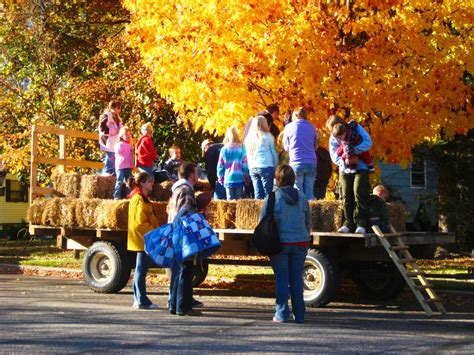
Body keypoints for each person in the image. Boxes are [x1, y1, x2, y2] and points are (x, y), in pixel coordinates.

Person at [259, 165, 311, 323]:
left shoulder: (273, 197)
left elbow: (263, 222)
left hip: (280, 243)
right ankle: (299, 314)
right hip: (300, 241)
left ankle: (281, 313)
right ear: (293, 179)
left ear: (277, 179)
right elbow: (308, 221)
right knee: (296, 278)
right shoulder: (302, 197)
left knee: (282, 278)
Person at [327, 115, 372, 234]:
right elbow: (333, 154)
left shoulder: (355, 128)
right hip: (345, 167)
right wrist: (346, 160)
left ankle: (361, 222)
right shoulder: (333, 136)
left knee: (359, 191)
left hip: (360, 165)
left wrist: (352, 151)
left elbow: (368, 142)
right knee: (346, 193)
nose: (334, 135)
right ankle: (348, 222)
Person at [168, 163, 201, 316]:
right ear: (190, 175)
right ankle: (183, 307)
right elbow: (186, 213)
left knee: (178, 270)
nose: (198, 174)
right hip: (184, 235)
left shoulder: (177, 190)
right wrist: (201, 216)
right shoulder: (187, 190)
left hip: (176, 233)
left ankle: (173, 304)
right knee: (185, 271)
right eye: (196, 172)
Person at [127, 172, 159, 309]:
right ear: (142, 183)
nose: (152, 184)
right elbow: (139, 223)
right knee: (141, 270)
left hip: (143, 238)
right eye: (149, 182)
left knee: (141, 269)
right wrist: (153, 232)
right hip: (142, 239)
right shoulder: (138, 199)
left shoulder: (142, 198)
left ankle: (139, 299)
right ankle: (141, 300)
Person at [283, 107, 318, 200]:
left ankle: (300, 212)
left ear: (294, 116)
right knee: (310, 193)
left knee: (298, 192)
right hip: (311, 161)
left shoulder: (289, 127)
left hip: (296, 161)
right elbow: (315, 146)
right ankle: (311, 212)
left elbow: (286, 147)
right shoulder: (312, 127)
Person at [244, 115, 278, 199]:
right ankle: (267, 211)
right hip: (266, 165)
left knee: (258, 193)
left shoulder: (248, 138)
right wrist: (276, 166)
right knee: (268, 194)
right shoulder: (268, 136)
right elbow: (273, 152)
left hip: (253, 167)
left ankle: (258, 211)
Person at [217, 126, 250, 200]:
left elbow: (220, 166)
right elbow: (245, 166)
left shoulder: (224, 149)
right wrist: (247, 177)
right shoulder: (242, 149)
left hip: (228, 178)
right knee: (239, 201)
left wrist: (220, 178)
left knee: (230, 202)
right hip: (239, 177)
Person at [98, 99, 123, 175]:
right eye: (118, 108)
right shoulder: (105, 116)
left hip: (115, 140)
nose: (119, 110)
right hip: (108, 140)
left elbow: (120, 127)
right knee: (110, 157)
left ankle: (111, 172)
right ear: (113, 107)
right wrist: (113, 132)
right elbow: (102, 128)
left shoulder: (117, 118)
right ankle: (107, 172)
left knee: (113, 157)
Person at [113, 127, 134, 200]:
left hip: (128, 166)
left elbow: (132, 154)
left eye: (129, 134)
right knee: (120, 181)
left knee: (130, 181)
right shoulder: (120, 144)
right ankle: (116, 196)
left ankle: (129, 195)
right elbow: (117, 154)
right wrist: (120, 158)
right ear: (122, 136)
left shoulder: (131, 144)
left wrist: (132, 164)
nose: (128, 136)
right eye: (126, 134)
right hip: (121, 166)